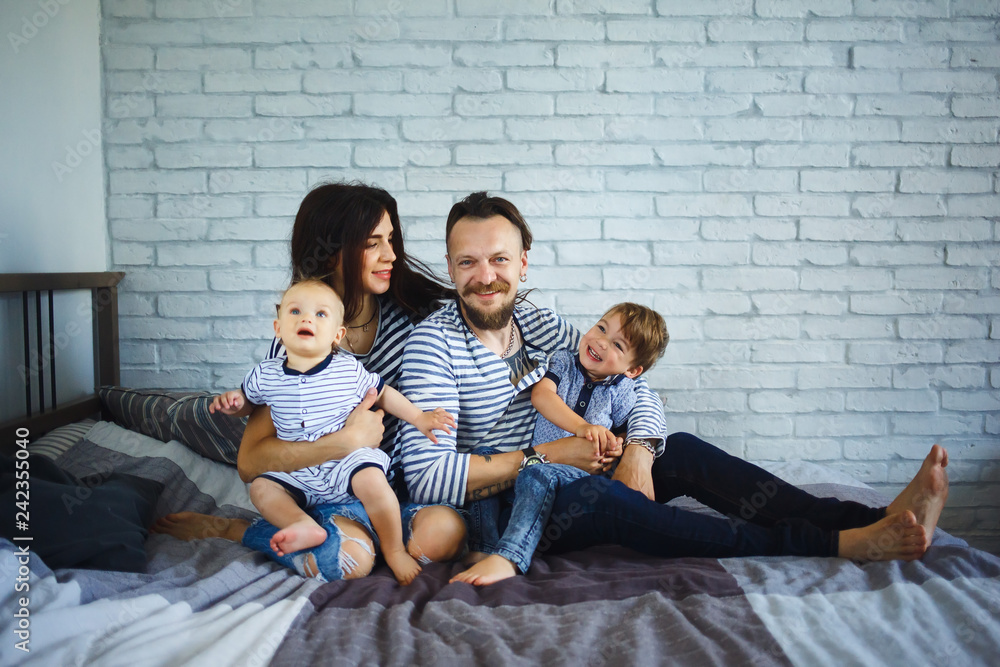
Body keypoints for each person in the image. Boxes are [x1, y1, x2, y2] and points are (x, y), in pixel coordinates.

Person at [396, 191, 948, 574]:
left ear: (523, 263)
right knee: (598, 497)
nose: (485, 277)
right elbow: (425, 478)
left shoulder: (538, 324)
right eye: (468, 262)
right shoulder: (433, 346)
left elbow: (632, 385)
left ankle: (875, 520)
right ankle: (833, 543)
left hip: (576, 466)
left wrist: (640, 449)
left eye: (499, 259)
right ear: (450, 266)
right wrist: (548, 454)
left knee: (679, 450)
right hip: (513, 506)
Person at [153, 182, 468, 582]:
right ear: (333, 254)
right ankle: (240, 530)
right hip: (322, 494)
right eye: (372, 244)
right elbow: (251, 463)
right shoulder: (295, 342)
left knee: (445, 535)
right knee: (351, 562)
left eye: (390, 240)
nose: (391, 255)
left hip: (388, 490)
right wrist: (346, 442)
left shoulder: (413, 321)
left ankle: (378, 539)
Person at [210, 279, 455, 584]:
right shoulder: (266, 373)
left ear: (337, 335)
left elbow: (382, 394)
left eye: (320, 314)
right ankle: (301, 524)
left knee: (373, 480)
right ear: (278, 328)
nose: (306, 319)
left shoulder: (347, 369)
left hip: (346, 464)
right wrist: (234, 403)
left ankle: (394, 550)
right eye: (295, 311)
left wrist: (418, 417)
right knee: (261, 487)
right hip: (299, 470)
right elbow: (248, 402)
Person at [451, 302, 670, 585]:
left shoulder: (622, 390)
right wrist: (582, 427)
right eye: (601, 328)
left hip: (576, 477)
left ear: (632, 370)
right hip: (536, 465)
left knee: (538, 473)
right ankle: (484, 546)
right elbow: (542, 396)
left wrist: (617, 444)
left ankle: (511, 557)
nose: (601, 342)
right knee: (484, 456)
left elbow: (624, 431)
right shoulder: (564, 362)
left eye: (617, 345)